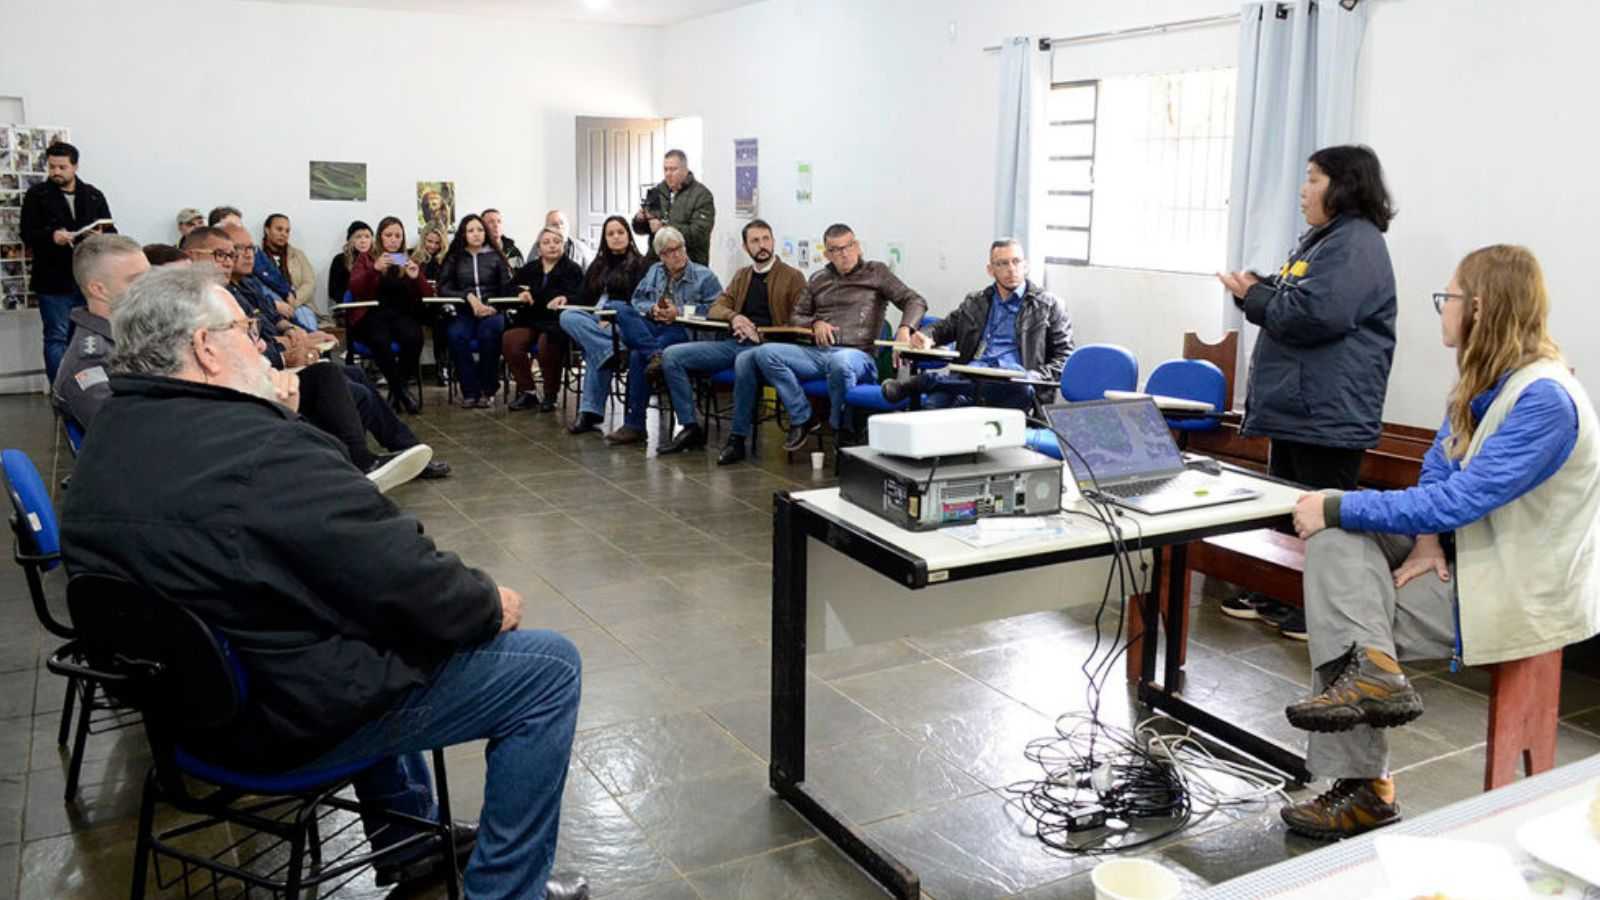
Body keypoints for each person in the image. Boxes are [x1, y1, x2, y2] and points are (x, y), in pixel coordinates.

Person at [59, 265, 590, 900]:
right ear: (205, 347)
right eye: (245, 329)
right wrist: (485, 604)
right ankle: (506, 892)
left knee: (366, 621)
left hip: (182, 718)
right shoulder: (262, 449)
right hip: (281, 722)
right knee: (546, 669)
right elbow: (403, 575)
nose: (261, 342)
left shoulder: (106, 438)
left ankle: (411, 845)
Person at [1277, 244, 1600, 841]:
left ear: (1478, 307)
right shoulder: (1486, 380)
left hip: (1515, 587)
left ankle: (1366, 786)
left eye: (1447, 296)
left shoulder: (1545, 401)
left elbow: (1463, 499)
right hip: (1465, 557)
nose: (1442, 308)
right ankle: (1372, 683)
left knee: (1348, 609)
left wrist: (1337, 503)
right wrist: (1424, 541)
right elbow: (1438, 470)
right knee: (1334, 545)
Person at [1218, 144, 1400, 641]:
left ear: (1345, 186)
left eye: (1314, 179)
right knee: (1289, 507)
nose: (1303, 191)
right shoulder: (1322, 241)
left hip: (1328, 411)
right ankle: (1279, 591)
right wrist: (1255, 289)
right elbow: (1292, 296)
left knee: (1323, 515)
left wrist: (1255, 296)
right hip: (1299, 406)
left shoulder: (1355, 243)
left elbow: (1317, 314)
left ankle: (1315, 605)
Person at [185, 226, 449, 488]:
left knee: (358, 373)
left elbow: (271, 321)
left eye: (244, 250)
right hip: (258, 374)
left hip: (278, 359)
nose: (237, 258)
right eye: (224, 254)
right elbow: (247, 346)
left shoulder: (245, 285)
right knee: (337, 377)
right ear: (192, 256)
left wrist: (296, 332)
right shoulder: (201, 300)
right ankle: (361, 459)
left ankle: (407, 449)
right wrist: (285, 352)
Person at [753, 223, 926, 450]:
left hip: (858, 355)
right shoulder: (818, 279)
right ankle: (803, 416)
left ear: (858, 246)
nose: (844, 253)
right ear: (827, 254)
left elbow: (915, 301)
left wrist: (905, 328)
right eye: (836, 249)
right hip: (819, 353)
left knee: (840, 361)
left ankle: (840, 429)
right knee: (764, 353)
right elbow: (796, 316)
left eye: (849, 246)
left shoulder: (876, 272)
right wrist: (815, 323)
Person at [657, 219, 807, 464]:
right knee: (672, 355)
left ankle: (737, 438)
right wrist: (735, 317)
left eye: (766, 239)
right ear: (746, 247)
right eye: (755, 241)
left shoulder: (792, 276)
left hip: (770, 348)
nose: (762, 245)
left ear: (773, 241)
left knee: (745, 360)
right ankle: (690, 427)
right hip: (735, 344)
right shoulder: (742, 276)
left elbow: (801, 320)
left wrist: (761, 333)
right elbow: (717, 307)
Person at [881, 239, 1073, 411]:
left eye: (1016, 261)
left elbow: (1065, 359)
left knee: (1018, 390)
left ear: (1026, 266)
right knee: (935, 404)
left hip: (1016, 381)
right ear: (991, 270)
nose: (1011, 269)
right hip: (973, 374)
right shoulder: (976, 302)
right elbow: (942, 328)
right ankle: (943, 387)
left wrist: (1033, 376)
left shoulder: (1049, 305)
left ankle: (925, 382)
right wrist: (926, 336)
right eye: (1002, 263)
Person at [596, 227, 722, 446]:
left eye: (679, 248)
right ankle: (654, 353)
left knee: (637, 356)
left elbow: (717, 310)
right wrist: (653, 309)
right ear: (661, 256)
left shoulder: (704, 276)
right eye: (669, 252)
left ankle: (634, 425)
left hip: (683, 330)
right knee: (618, 307)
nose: (677, 254)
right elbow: (637, 301)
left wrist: (678, 312)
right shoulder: (655, 271)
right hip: (654, 325)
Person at [19, 141, 116, 383]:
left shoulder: (92, 194)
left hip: (88, 277)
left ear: (75, 166)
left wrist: (100, 236)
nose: (56, 172)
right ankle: (60, 389)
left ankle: (88, 387)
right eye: (52, 167)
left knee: (89, 335)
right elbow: (27, 233)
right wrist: (52, 236)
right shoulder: (37, 195)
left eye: (62, 167)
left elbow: (111, 230)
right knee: (57, 336)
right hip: (53, 278)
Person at [559, 215, 648, 435]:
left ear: (629, 235)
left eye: (620, 232)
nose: (616, 237)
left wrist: (612, 317)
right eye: (610, 234)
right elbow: (583, 298)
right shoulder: (598, 265)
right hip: (597, 326)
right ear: (604, 239)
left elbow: (639, 304)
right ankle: (610, 351)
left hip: (622, 325)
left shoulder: (641, 264)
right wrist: (566, 300)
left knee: (594, 352)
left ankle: (589, 412)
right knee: (567, 316)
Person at [52, 235, 148, 431]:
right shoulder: (88, 363)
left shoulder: (134, 335)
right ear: (98, 290)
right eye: (137, 280)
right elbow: (127, 430)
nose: (150, 287)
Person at [348, 216, 430, 413]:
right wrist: (374, 270)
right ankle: (401, 392)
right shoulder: (367, 258)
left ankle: (396, 391)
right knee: (380, 340)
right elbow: (355, 288)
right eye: (388, 235)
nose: (393, 240)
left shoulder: (405, 259)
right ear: (380, 237)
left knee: (414, 337)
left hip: (401, 314)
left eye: (398, 236)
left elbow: (426, 294)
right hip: (372, 314)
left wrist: (416, 277)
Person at [436, 214, 513, 408]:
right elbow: (443, 288)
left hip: (492, 310)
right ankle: (470, 391)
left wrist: (494, 307)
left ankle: (488, 389)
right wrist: (468, 296)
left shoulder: (496, 256)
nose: (476, 234)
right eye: (471, 230)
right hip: (464, 310)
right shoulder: (455, 257)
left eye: (480, 230)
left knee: (489, 334)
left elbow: (507, 289)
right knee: (456, 335)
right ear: (463, 234)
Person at [503, 227, 583, 413]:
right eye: (546, 243)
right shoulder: (531, 268)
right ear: (539, 248)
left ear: (563, 245)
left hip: (557, 322)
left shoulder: (573, 269)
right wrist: (520, 293)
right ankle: (528, 391)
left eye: (556, 242)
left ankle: (550, 394)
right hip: (532, 319)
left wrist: (566, 299)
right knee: (510, 339)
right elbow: (509, 287)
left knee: (547, 343)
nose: (552, 246)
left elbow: (583, 296)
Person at [632, 149, 715, 266]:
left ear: (685, 170)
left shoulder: (702, 195)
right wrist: (640, 220)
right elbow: (641, 229)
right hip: (657, 264)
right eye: (665, 169)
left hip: (690, 265)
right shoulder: (656, 192)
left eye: (673, 169)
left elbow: (699, 234)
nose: (668, 174)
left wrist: (664, 228)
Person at [260, 213, 319, 328]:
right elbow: (257, 287)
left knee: (305, 317)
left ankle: (310, 338)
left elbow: (309, 283)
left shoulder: (298, 255)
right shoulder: (257, 257)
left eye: (287, 231)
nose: (284, 234)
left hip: (298, 304)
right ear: (267, 230)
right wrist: (277, 304)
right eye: (279, 229)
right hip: (272, 307)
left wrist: (294, 301)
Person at [328, 220, 371, 309]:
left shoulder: (377, 259)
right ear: (350, 240)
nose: (363, 241)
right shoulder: (340, 260)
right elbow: (333, 291)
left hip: (374, 306)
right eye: (358, 237)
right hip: (350, 307)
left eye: (367, 236)